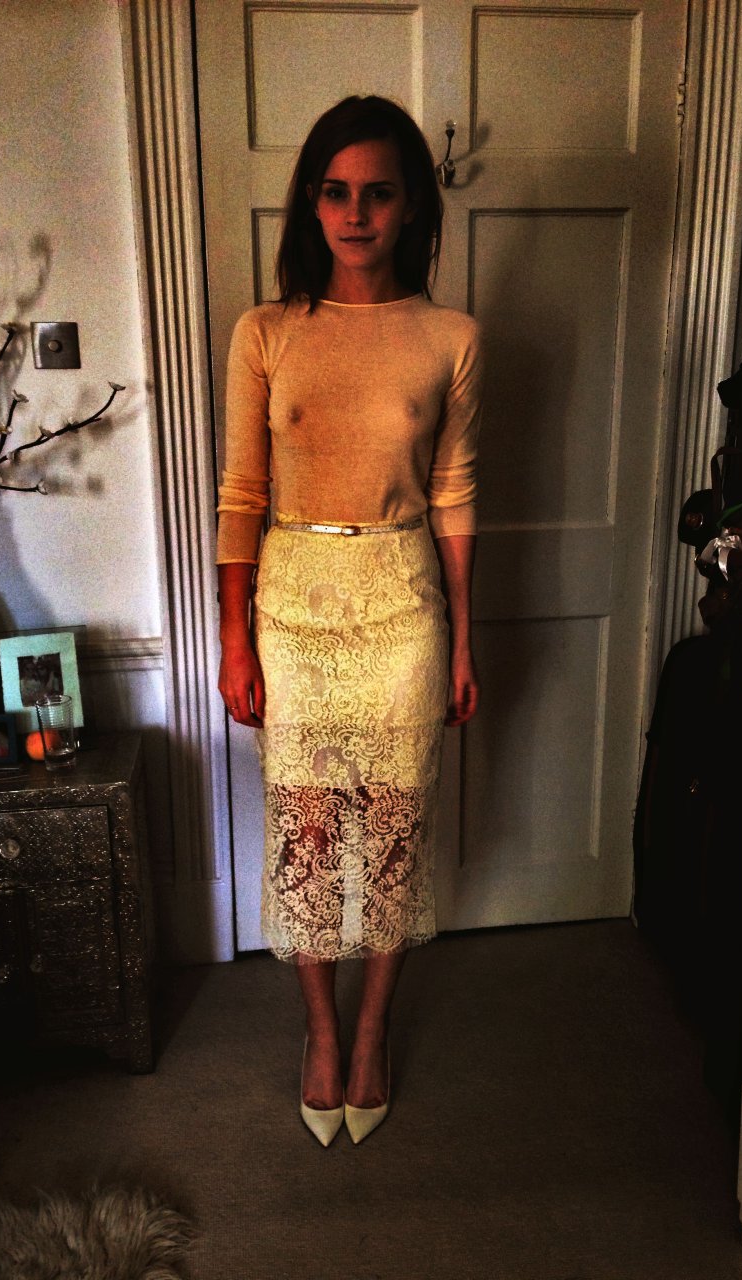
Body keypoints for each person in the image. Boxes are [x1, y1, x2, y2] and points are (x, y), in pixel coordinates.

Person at [216, 95, 482, 1147]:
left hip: (404, 602)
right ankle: (321, 1035)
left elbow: (455, 494)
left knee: (395, 836)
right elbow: (241, 493)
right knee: (311, 836)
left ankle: (372, 1034)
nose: (356, 213)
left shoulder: (451, 337)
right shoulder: (266, 331)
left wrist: (465, 639)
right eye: (335, 191)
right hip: (291, 603)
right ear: (311, 203)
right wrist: (233, 637)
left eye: (377, 192)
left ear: (411, 205)